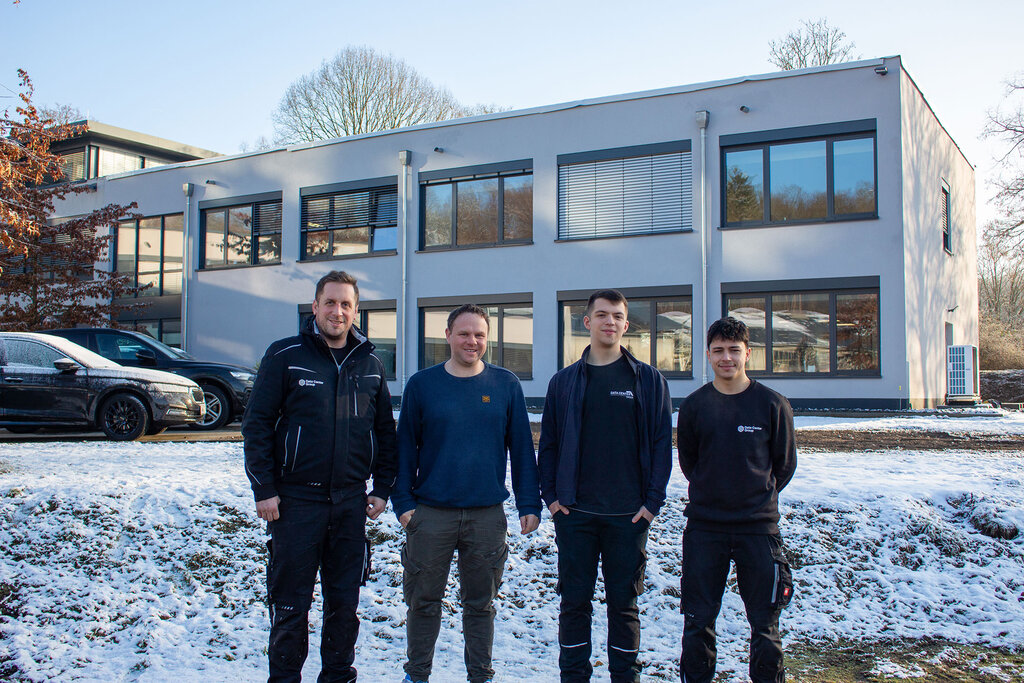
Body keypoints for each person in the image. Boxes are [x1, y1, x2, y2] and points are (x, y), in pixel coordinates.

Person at [243, 270, 398, 683]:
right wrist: (265, 488)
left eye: (346, 304)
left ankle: (337, 676)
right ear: (314, 307)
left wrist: (382, 488)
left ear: (356, 310)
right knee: (291, 605)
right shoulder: (285, 354)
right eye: (330, 302)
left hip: (350, 503)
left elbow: (385, 430)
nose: (337, 311)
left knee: (344, 605)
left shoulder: (370, 362)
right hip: (295, 504)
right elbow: (257, 424)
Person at [392, 303, 541, 683]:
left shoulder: (505, 384)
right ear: (447, 336)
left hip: (486, 516)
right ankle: (417, 675)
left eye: (479, 334)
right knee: (422, 602)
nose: (471, 341)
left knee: (480, 604)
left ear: (487, 339)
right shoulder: (422, 385)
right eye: (464, 333)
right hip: (431, 514)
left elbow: (522, 448)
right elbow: (405, 448)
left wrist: (529, 503)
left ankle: (481, 676)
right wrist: (404, 504)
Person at [538, 289, 673, 683]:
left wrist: (652, 504)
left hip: (628, 517)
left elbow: (662, 445)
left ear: (626, 325)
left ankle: (624, 677)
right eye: (601, 315)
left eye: (616, 316)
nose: (609, 322)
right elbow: (548, 444)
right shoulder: (564, 382)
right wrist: (552, 498)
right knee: (574, 605)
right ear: (587, 323)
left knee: (624, 606)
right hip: (575, 514)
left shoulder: (647, 380)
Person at [676, 317, 797, 683]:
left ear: (748, 352)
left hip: (758, 531)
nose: (726, 358)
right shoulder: (695, 407)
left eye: (733, 350)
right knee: (698, 623)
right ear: (708, 355)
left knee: (765, 626)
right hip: (705, 529)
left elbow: (784, 466)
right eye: (718, 351)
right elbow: (690, 463)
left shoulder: (772, 405)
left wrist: (754, 496)